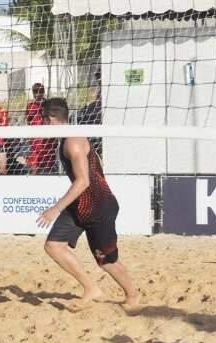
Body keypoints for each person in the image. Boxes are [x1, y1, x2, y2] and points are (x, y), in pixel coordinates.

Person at [36, 98, 139, 311]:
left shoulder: (72, 141)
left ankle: (133, 295)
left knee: (106, 260)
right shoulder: (70, 137)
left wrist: (55, 209)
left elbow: (83, 181)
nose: (41, 124)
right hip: (81, 204)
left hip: (98, 206)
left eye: (43, 120)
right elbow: (98, 163)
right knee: (54, 246)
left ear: (50, 119)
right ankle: (91, 289)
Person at [25, 83, 57, 175]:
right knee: (33, 166)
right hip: (35, 141)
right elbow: (28, 121)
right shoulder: (30, 106)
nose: (37, 94)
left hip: (47, 142)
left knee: (48, 167)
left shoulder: (49, 105)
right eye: (35, 92)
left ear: (43, 92)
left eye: (40, 91)